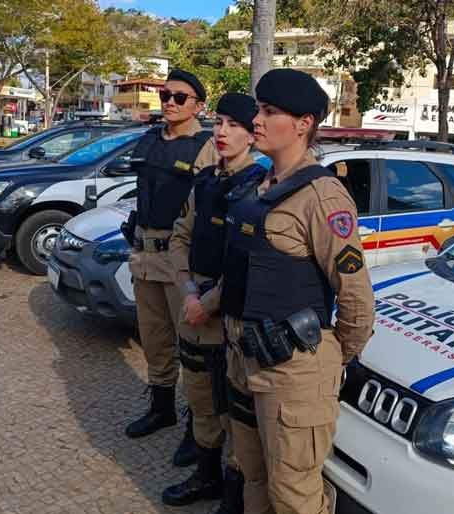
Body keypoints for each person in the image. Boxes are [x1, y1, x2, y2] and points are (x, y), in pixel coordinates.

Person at [221, 69, 376, 514]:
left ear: (304, 123)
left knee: (294, 496)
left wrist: (327, 361)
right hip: (244, 358)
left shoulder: (323, 197)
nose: (256, 121)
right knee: (253, 476)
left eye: (269, 112)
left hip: (294, 370)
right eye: (258, 110)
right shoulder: (259, 187)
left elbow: (356, 298)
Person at [162, 93, 265, 512]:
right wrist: (188, 291)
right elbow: (180, 236)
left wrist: (208, 301)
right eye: (219, 122)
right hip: (194, 306)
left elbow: (247, 260)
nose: (222, 132)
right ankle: (206, 476)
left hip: (227, 315)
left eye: (234, 125)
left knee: (235, 410)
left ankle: (234, 494)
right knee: (201, 399)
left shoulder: (259, 187)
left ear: (252, 135)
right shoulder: (206, 180)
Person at [121, 69, 219, 450]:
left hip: (181, 260)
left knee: (193, 346)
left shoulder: (206, 146)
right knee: (154, 339)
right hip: (145, 255)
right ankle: (162, 408)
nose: (170, 103)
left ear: (198, 105)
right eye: (165, 96)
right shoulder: (149, 139)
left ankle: (200, 427)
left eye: (180, 97)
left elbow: (210, 208)